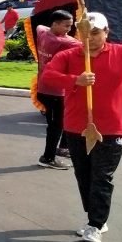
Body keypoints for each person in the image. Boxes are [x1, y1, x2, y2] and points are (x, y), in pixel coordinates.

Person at [42, 12, 122, 242]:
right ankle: (96, 217)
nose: (89, 39)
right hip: (76, 127)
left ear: (106, 32)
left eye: (94, 33)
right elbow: (49, 76)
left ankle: (95, 224)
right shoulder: (69, 55)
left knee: (102, 177)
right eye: (84, 34)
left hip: (112, 128)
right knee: (84, 175)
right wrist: (75, 80)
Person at [35, 10, 81, 169]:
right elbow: (86, 45)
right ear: (55, 24)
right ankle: (47, 158)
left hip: (45, 88)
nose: (70, 28)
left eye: (71, 25)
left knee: (64, 120)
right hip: (52, 91)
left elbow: (39, 26)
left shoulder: (42, 32)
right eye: (66, 25)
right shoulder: (66, 42)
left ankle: (62, 148)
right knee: (56, 126)